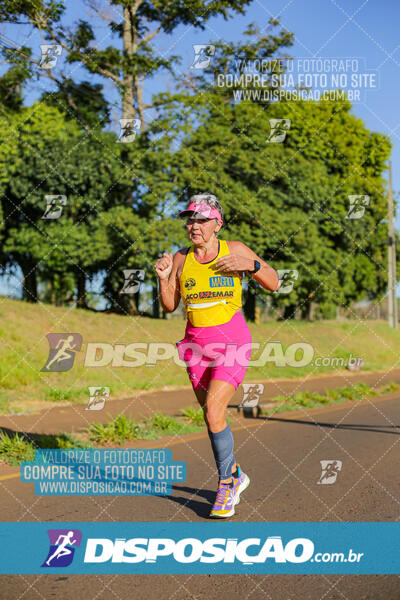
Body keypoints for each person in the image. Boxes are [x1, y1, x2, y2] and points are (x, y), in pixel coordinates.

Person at [154, 193, 280, 518]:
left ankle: (226, 484)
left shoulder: (234, 250)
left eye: (201, 219)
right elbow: (169, 305)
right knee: (215, 419)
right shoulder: (181, 258)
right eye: (190, 219)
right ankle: (236, 473)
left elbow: (274, 282)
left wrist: (250, 266)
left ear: (217, 224)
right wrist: (164, 278)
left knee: (212, 411)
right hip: (195, 344)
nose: (193, 225)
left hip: (232, 339)